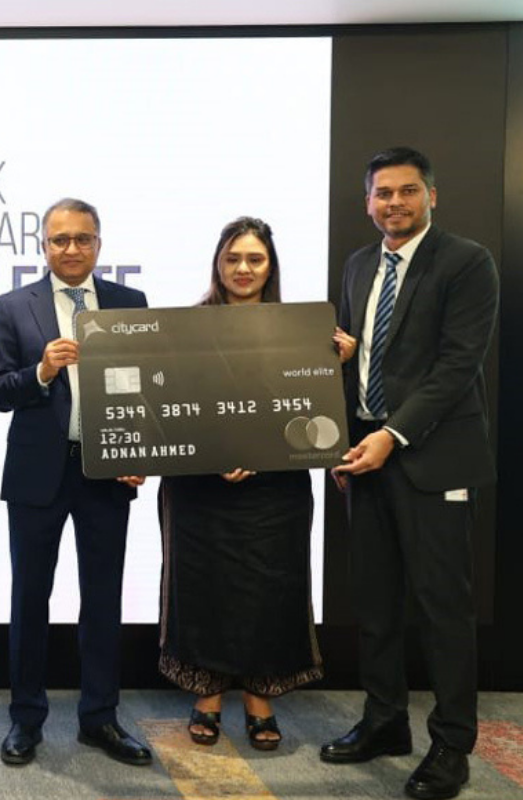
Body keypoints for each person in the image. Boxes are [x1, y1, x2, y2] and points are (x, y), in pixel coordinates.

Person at [324, 147, 498, 800]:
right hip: (366, 457)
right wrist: (348, 438)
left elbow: (457, 365)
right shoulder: (358, 264)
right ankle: (384, 721)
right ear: (367, 202)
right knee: (374, 602)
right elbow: (367, 359)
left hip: (431, 457)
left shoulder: (466, 261)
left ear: (431, 195)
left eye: (406, 191)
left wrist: (391, 436)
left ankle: (451, 745)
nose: (393, 203)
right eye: (382, 193)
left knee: (442, 609)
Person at [156, 217, 344, 751]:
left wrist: (339, 362)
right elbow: (168, 407)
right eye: (233, 258)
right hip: (200, 488)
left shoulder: (303, 332)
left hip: (275, 489)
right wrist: (215, 457)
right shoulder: (185, 328)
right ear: (218, 263)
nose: (243, 268)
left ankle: (261, 701)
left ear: (270, 266)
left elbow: (313, 408)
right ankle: (208, 697)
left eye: (254, 259)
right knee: (203, 589)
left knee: (270, 589)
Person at [0, 198, 150, 767]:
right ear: (44, 245)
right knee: (30, 599)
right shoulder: (12, 306)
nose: (71, 249)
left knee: (103, 600)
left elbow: (147, 388)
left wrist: (138, 451)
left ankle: (100, 718)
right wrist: (43, 371)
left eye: (82, 239)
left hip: (106, 473)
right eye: (60, 240)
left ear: (99, 244)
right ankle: (25, 720)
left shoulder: (129, 303)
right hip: (36, 475)